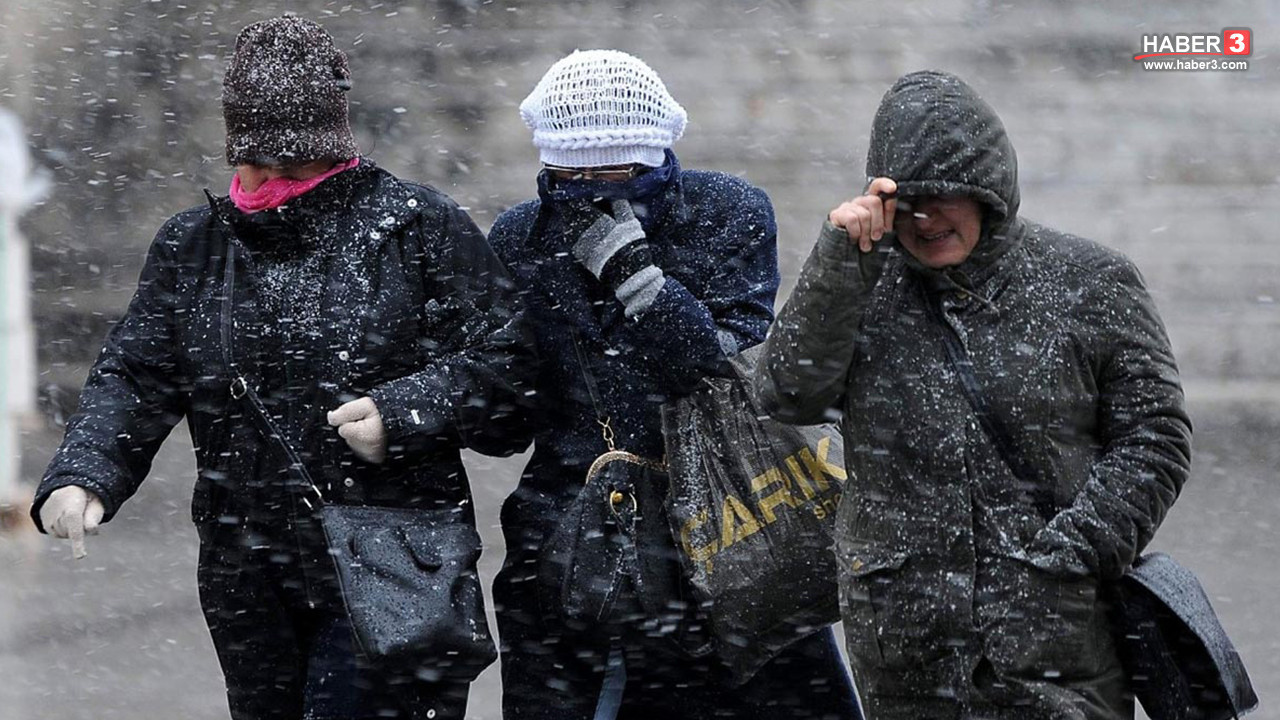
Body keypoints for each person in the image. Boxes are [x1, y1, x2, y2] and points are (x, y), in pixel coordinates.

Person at [30, 16, 533, 720]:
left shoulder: (419, 228)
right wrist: (85, 473)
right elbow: (136, 375)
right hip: (248, 576)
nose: (267, 181)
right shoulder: (192, 246)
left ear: (334, 150)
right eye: (253, 161)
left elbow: (511, 376)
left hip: (392, 567)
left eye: (292, 167)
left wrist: (404, 412)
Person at [754, 70, 1193, 719]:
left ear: (988, 191)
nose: (925, 219)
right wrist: (838, 258)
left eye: (945, 196)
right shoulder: (859, 287)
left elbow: (1154, 437)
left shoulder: (1089, 281)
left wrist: (1066, 559)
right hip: (907, 652)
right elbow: (785, 394)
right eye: (907, 201)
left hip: (1058, 646)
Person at [486, 49, 860, 720]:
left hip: (727, 527)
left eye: (616, 171)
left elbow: (713, 369)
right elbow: (509, 403)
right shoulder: (520, 236)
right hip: (576, 547)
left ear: (656, 155)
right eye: (570, 173)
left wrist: (637, 276)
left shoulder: (731, 212)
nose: (591, 190)